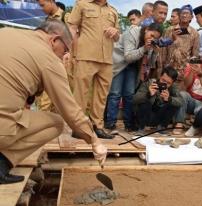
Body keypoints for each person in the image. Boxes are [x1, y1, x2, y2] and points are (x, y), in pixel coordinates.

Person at [0, 20, 106, 184]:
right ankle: (2, 162)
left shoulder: (6, 32)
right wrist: (94, 141)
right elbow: (70, 110)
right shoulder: (48, 58)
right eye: (65, 50)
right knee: (56, 123)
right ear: (54, 40)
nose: (64, 56)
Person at [67, 0, 119, 139]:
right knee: (80, 93)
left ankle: (98, 127)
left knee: (102, 95)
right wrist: (69, 51)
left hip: (107, 59)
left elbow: (117, 37)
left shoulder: (113, 10)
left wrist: (115, 32)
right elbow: (72, 28)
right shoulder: (82, 4)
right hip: (85, 55)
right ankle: (78, 127)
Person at [105, 23, 163, 131]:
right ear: (146, 29)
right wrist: (145, 48)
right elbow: (128, 57)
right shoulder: (132, 33)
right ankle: (110, 123)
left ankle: (128, 123)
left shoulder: (150, 43)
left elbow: (150, 63)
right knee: (115, 93)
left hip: (132, 66)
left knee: (129, 94)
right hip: (119, 63)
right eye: (151, 35)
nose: (152, 39)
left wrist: (155, 53)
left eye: (155, 38)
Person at [173, 47, 202, 135]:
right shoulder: (193, 66)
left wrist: (200, 74)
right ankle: (179, 124)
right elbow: (186, 84)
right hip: (191, 100)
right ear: (201, 58)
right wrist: (192, 71)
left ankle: (197, 126)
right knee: (182, 94)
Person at [133, 67, 183, 135]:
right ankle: (141, 128)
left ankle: (162, 127)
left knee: (173, 103)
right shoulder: (149, 83)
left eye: (168, 83)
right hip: (145, 116)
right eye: (163, 80)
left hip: (159, 116)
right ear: (160, 76)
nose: (164, 83)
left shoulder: (173, 87)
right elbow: (135, 99)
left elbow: (181, 101)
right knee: (145, 103)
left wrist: (169, 99)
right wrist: (148, 94)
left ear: (172, 83)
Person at [161, 4, 200, 85]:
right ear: (179, 15)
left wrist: (190, 71)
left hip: (183, 72)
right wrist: (162, 67)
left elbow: (195, 54)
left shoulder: (195, 33)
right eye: (183, 13)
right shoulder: (169, 30)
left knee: (179, 95)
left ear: (191, 17)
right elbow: (163, 50)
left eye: (187, 13)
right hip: (168, 70)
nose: (185, 15)